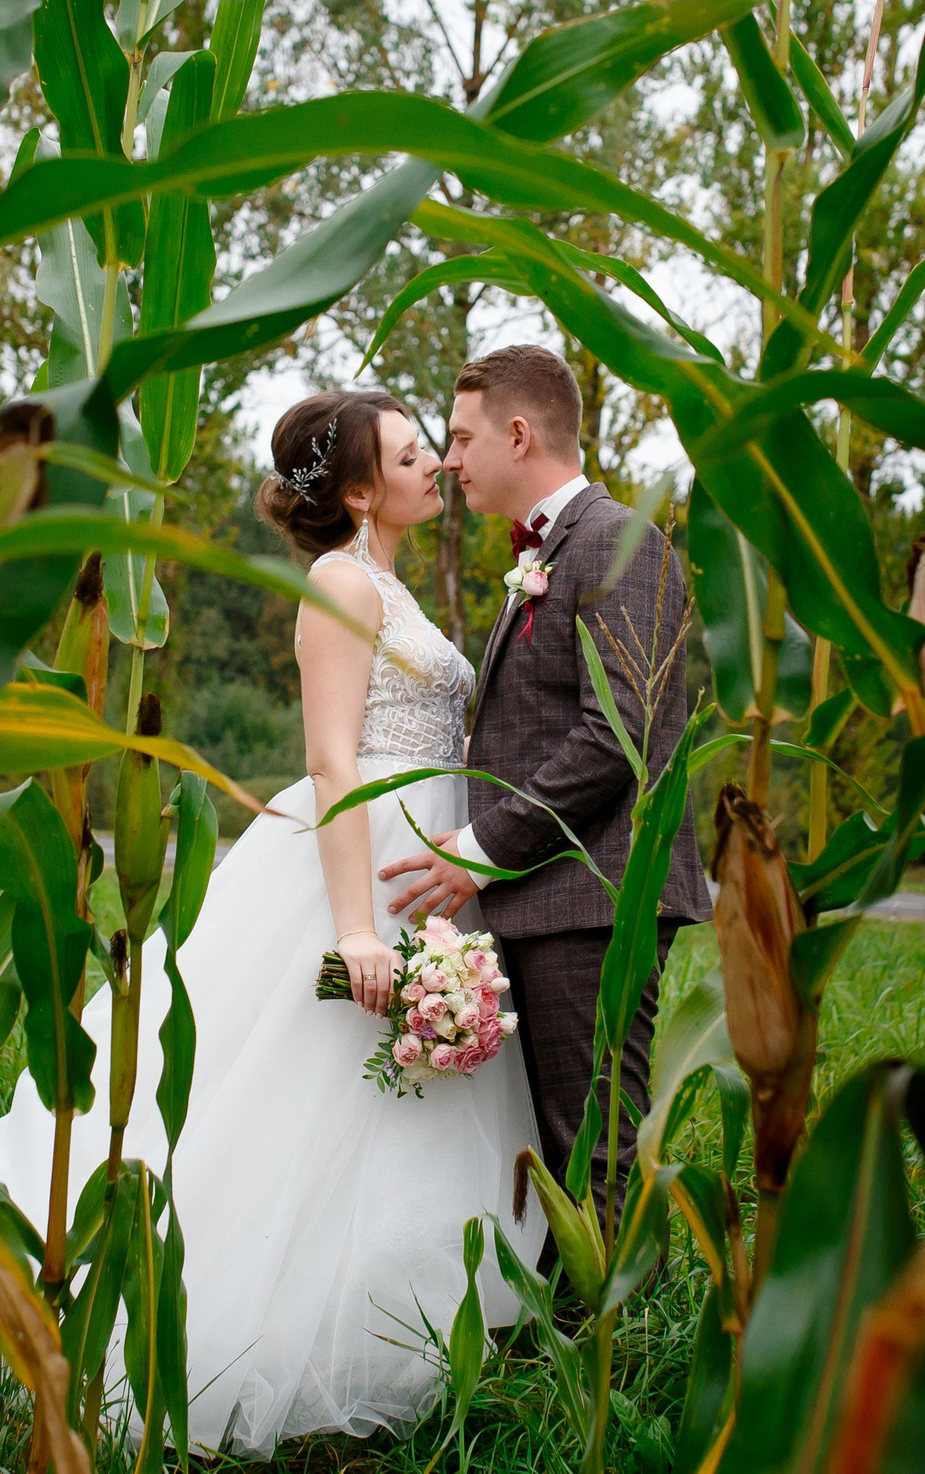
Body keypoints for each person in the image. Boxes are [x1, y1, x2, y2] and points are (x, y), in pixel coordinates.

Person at [0, 389, 544, 1458]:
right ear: (354, 491)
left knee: (400, 1103)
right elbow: (332, 758)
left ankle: (421, 1322)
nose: (432, 462)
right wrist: (354, 932)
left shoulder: (385, 580)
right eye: (406, 452)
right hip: (363, 858)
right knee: (311, 1093)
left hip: (424, 851)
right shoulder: (340, 583)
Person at [377, 345, 710, 1212]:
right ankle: (565, 1337)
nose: (448, 461)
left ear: (518, 434)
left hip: (595, 895)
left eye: (459, 437)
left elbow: (618, 733)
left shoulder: (615, 541)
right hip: (552, 894)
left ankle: (617, 1340)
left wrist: (482, 848)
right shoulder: (555, 547)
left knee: (593, 1142)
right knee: (559, 1140)